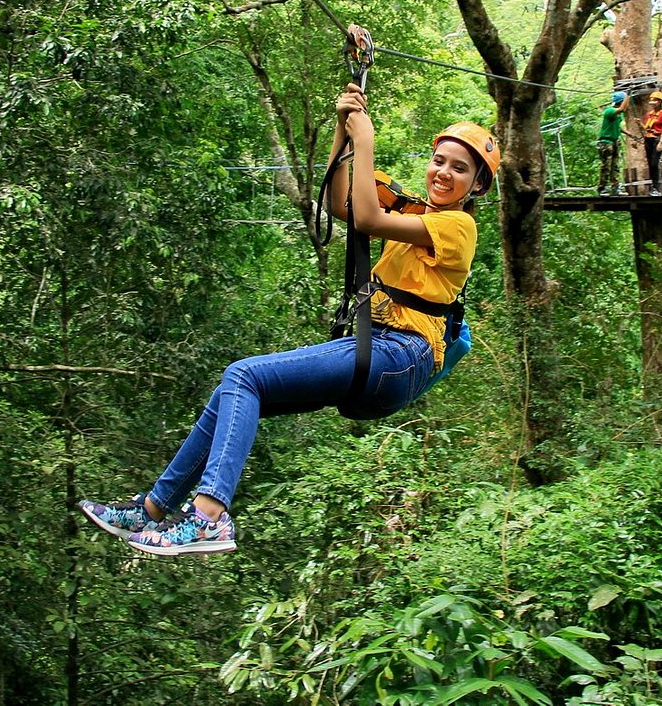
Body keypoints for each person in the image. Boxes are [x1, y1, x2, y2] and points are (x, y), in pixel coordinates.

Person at [78, 84, 499, 556]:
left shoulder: (457, 226)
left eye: (459, 169)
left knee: (243, 375)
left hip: (400, 353)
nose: (443, 172)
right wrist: (343, 134)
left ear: (477, 186)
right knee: (231, 394)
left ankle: (208, 517)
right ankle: (153, 509)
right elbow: (341, 204)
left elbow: (365, 217)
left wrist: (366, 141)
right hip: (380, 349)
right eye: (439, 161)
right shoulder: (415, 212)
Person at [596, 91, 629, 195]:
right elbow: (622, 109)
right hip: (606, 142)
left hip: (614, 141)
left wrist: (629, 133)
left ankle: (615, 187)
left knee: (615, 166)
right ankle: (602, 188)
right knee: (606, 165)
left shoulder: (618, 115)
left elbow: (617, 126)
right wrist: (628, 95)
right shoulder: (609, 111)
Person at [639, 91, 662, 195]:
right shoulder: (649, 115)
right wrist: (639, 123)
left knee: (654, 163)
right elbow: (647, 128)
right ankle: (653, 187)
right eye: (651, 100)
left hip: (657, 139)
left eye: (655, 100)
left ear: (660, 102)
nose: (652, 102)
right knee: (650, 165)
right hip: (648, 140)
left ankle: (656, 187)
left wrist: (661, 142)